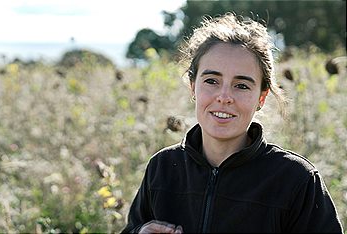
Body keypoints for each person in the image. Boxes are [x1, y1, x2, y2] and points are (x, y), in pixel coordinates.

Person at [121, 12, 343, 233]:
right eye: (211, 81)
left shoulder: (296, 179)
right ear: (193, 87)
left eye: (242, 85)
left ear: (261, 98)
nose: (224, 96)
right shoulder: (162, 168)